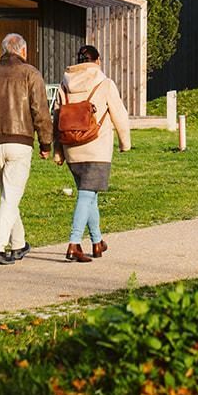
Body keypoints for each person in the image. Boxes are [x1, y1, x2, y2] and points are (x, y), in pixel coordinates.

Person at [0, 33, 53, 265]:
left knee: (9, 196)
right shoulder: (30, 74)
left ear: (4, 50)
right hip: (20, 141)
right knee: (10, 198)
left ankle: (18, 244)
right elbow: (40, 112)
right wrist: (46, 143)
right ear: (23, 51)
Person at [54, 44, 131, 262]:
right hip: (97, 148)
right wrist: (125, 143)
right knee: (86, 196)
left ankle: (97, 242)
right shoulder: (104, 83)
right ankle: (74, 243)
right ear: (97, 61)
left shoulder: (64, 85)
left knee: (90, 197)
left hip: (71, 150)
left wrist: (58, 151)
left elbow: (57, 118)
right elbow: (120, 115)